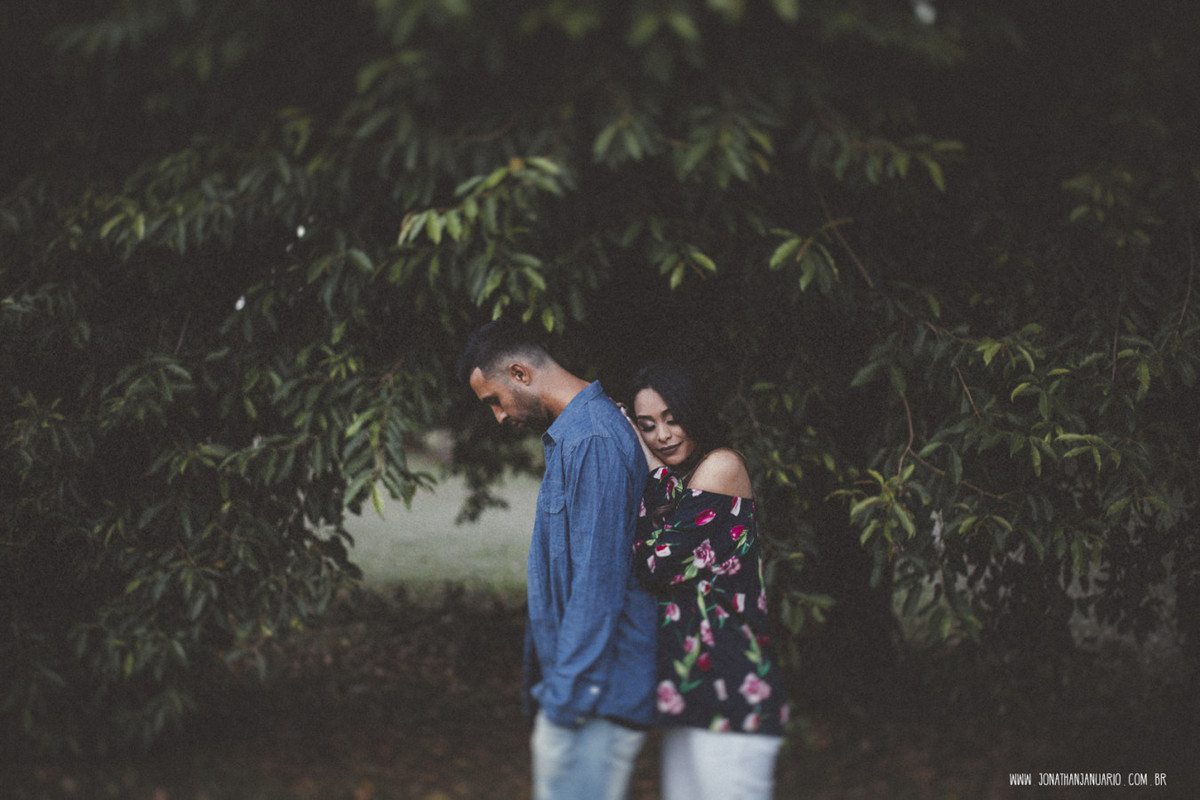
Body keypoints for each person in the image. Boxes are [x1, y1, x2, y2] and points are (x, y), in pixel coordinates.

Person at [456, 320, 657, 800]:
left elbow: (597, 582)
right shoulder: (575, 436)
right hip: (583, 693)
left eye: (494, 401)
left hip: (592, 698)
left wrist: (564, 705)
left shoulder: (592, 439)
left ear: (521, 373)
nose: (499, 418)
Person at [625, 360, 790, 800]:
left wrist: (643, 457)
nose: (662, 435)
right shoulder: (676, 481)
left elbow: (654, 564)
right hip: (689, 691)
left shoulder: (722, 465)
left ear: (693, 413)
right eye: (647, 426)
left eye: (672, 419)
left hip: (735, 688)